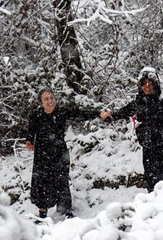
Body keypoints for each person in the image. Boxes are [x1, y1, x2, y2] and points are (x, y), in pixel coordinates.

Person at [106, 67, 163, 192]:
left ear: (155, 84)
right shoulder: (140, 101)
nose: (147, 86)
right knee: (149, 174)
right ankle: (152, 196)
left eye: (150, 83)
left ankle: (161, 196)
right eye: (144, 83)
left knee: (160, 174)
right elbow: (125, 111)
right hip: (147, 143)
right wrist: (111, 116)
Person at [25, 89, 110, 218]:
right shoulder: (36, 116)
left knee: (61, 181)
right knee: (41, 182)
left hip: (59, 152)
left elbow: (80, 113)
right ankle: (42, 214)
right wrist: (29, 141)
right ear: (41, 102)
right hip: (42, 154)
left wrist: (99, 113)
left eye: (51, 97)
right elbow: (31, 132)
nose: (50, 101)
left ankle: (66, 211)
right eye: (46, 99)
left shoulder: (61, 112)